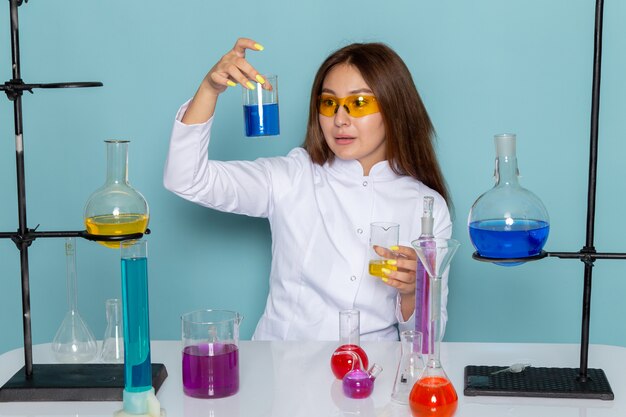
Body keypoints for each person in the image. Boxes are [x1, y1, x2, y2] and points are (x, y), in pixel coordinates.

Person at [164, 38, 452, 341]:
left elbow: (428, 339)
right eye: (329, 103)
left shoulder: (426, 206)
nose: (340, 119)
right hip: (283, 366)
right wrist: (210, 89)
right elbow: (186, 178)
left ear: (394, 109)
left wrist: (412, 292)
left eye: (359, 103)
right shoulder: (292, 175)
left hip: (372, 372)